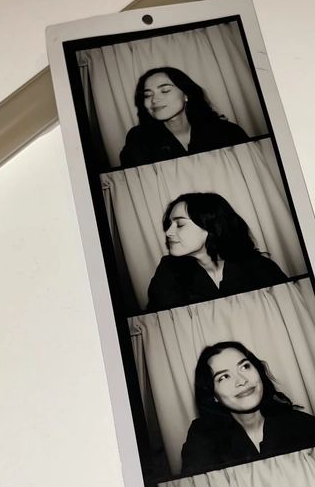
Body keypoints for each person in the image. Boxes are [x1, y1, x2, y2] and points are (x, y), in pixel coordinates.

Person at [180, 342, 315, 475]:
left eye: (245, 366)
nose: (242, 380)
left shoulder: (303, 425)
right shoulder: (202, 437)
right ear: (213, 395)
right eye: (224, 377)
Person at [146, 193, 288, 311]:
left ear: (211, 226)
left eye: (180, 224)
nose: (168, 232)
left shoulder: (260, 267)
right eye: (169, 224)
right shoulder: (168, 270)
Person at [119, 67, 250, 168]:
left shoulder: (227, 132)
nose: (154, 100)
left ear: (186, 94)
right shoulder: (137, 139)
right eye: (147, 95)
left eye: (165, 91)